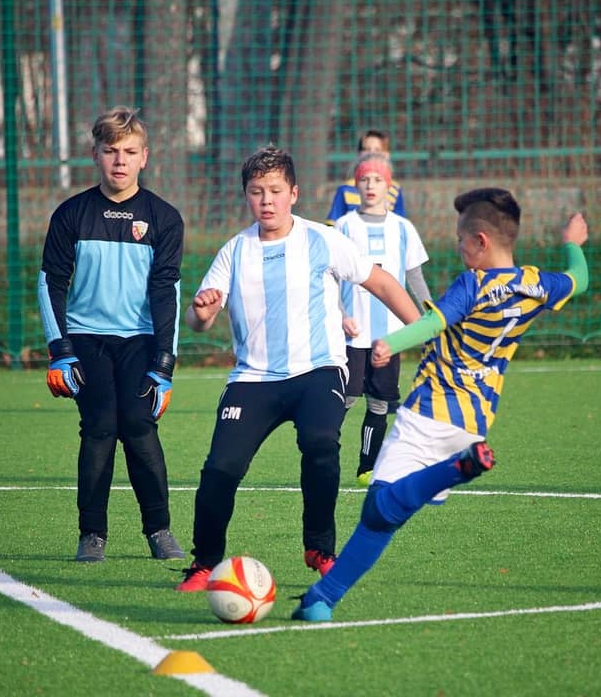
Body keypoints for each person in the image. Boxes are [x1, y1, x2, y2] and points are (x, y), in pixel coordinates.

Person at [292, 188, 590, 621]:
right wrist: (572, 243)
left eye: (461, 239)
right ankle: (321, 599)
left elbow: (434, 322)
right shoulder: (538, 283)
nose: (458, 247)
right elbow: (580, 278)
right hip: (473, 422)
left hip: (429, 411)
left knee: (379, 509)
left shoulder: (474, 283)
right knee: (383, 517)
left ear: (481, 241)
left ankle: (459, 469)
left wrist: (390, 343)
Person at [174, 145, 421, 592]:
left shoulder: (322, 240)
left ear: (294, 193)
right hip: (253, 378)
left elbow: (383, 283)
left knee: (321, 442)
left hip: (318, 371)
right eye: (256, 192)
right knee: (220, 468)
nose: (266, 200)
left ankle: (320, 549)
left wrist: (424, 332)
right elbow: (197, 320)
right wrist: (201, 311)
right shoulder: (235, 251)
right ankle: (204, 562)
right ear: (246, 196)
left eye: (275, 190)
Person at [37, 106, 186, 563]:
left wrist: (164, 364)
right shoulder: (71, 214)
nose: (120, 160)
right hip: (86, 339)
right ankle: (92, 535)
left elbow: (167, 291)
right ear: (95, 155)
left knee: (139, 426)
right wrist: (60, 350)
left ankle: (159, 531)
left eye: (130, 152)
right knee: (101, 426)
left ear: (145, 157)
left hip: (140, 340)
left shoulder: (164, 218)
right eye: (111, 151)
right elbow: (51, 283)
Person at [334, 152, 432, 487]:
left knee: (379, 401)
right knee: (346, 397)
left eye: (377, 179)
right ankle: (324, 457)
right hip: (352, 332)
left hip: (391, 335)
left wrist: (430, 318)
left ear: (389, 186)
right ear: (356, 185)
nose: (370, 185)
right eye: (364, 179)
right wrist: (341, 314)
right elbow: (330, 276)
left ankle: (367, 467)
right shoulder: (344, 226)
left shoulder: (403, 228)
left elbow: (414, 278)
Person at [325, 129, 406, 226]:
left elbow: (400, 224)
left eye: (377, 150)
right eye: (366, 149)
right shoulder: (345, 189)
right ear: (359, 153)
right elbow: (332, 225)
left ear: (387, 154)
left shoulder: (395, 189)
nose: (372, 153)